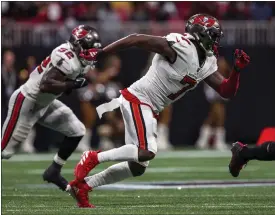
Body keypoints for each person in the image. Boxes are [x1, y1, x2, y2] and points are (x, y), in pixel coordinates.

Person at [66, 14, 250, 208]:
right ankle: (93, 157)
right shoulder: (180, 46)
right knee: (147, 151)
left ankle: (83, 187)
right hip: (139, 98)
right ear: (200, 34)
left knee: (137, 167)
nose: (216, 40)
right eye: (213, 35)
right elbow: (135, 38)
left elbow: (226, 91)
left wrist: (236, 70)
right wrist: (102, 53)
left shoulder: (208, 61)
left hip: (151, 106)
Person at [1, 25, 102, 192]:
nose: (91, 52)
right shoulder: (66, 57)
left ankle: (54, 171)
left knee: (77, 130)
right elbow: (46, 85)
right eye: (88, 47)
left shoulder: (80, 58)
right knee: (4, 151)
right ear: (76, 44)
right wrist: (72, 84)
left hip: (46, 104)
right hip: (28, 102)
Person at [196, 57, 230, 150]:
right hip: (214, 98)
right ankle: (218, 141)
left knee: (215, 114)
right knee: (218, 111)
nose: (222, 66)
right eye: (220, 64)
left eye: (224, 65)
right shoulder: (211, 75)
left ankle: (204, 140)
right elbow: (211, 94)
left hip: (220, 99)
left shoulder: (227, 77)